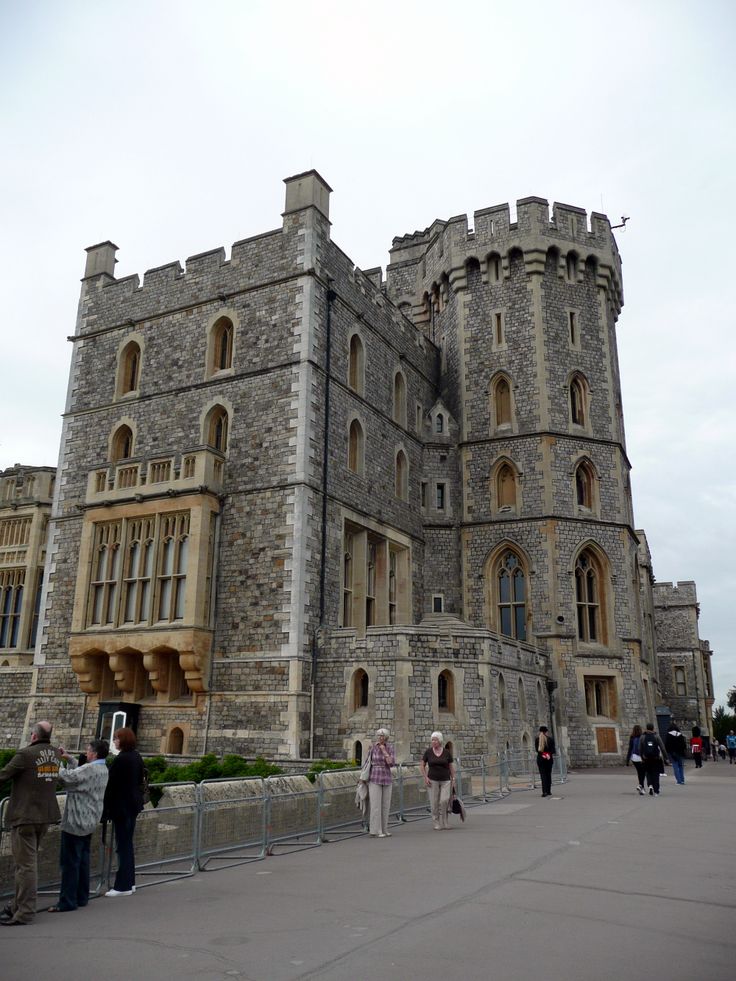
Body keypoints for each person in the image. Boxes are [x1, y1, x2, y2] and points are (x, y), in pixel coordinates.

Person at [0, 721, 61, 926]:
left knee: (25, 867)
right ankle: (17, 906)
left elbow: (3, 775)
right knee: (25, 865)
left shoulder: (25, 755)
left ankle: (25, 912)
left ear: (34, 736)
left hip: (25, 816)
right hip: (44, 817)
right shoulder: (55, 754)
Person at [47, 738, 110, 913]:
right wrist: (69, 758)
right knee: (83, 860)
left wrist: (53, 761)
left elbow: (67, 778)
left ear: (94, 753)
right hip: (90, 820)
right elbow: (80, 773)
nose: (86, 752)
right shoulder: (103, 768)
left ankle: (67, 901)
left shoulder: (89, 769)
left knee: (69, 863)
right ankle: (81, 896)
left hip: (76, 821)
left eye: (88, 750)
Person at [103, 727, 145, 896]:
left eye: (116, 738)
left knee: (123, 846)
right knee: (127, 844)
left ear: (124, 740)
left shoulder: (123, 759)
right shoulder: (136, 756)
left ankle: (123, 886)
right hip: (132, 805)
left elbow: (111, 783)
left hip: (123, 807)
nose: (114, 741)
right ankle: (130, 882)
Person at [421, 731, 456, 830]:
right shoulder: (428, 752)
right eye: (432, 740)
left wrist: (453, 779)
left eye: (435, 740)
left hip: (445, 780)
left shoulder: (446, 752)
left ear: (440, 741)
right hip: (433, 780)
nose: (433, 741)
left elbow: (451, 767)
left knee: (444, 800)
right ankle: (436, 822)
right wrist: (425, 777)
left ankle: (445, 821)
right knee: (434, 802)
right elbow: (422, 765)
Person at [366, 728, 395, 838]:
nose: (380, 738)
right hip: (375, 777)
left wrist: (384, 751)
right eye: (379, 736)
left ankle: (384, 829)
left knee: (385, 805)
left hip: (386, 778)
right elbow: (367, 762)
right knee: (375, 805)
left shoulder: (390, 748)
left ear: (386, 737)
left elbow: (391, 763)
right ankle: (375, 830)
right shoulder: (372, 748)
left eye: (382, 736)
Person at [639, 723, 669, 796]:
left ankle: (650, 786)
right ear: (653, 728)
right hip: (655, 758)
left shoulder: (642, 736)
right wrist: (666, 758)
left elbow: (640, 748)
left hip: (646, 758)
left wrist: (642, 757)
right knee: (655, 774)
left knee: (648, 773)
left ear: (646, 728)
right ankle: (656, 791)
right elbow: (662, 748)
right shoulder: (656, 736)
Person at [535, 725, 556, 798]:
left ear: (540, 732)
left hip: (540, 759)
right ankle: (549, 791)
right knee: (548, 775)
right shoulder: (550, 739)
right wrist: (547, 754)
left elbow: (537, 750)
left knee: (543, 776)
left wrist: (543, 754)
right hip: (548, 759)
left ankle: (544, 792)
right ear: (546, 732)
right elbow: (553, 751)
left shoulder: (537, 739)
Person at [625, 724, 647, 794]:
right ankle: (641, 786)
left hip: (634, 757)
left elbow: (630, 749)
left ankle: (641, 787)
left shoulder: (632, 737)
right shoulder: (643, 737)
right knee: (642, 772)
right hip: (641, 757)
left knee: (639, 772)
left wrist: (627, 760)